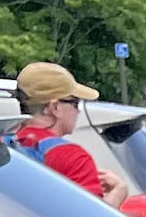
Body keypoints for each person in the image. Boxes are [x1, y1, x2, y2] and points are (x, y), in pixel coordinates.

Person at [11, 62, 117, 201]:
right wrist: (118, 193)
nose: (78, 111)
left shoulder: (0, 145)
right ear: (54, 107)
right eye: (75, 103)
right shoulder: (74, 158)